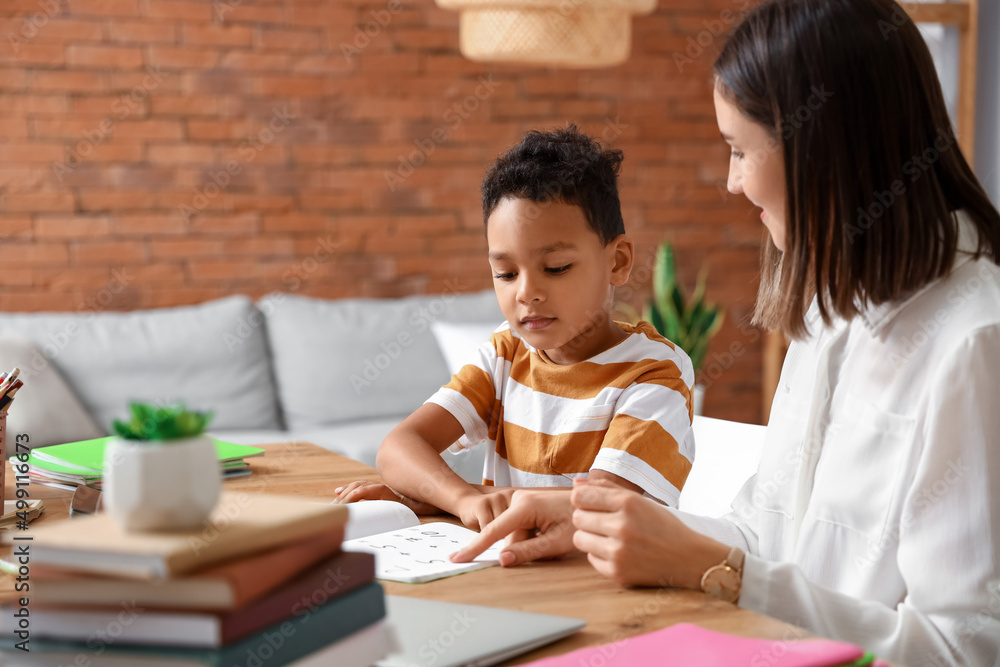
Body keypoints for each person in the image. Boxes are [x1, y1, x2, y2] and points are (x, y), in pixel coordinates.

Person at [451, 1, 1000, 664]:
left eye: (740, 149)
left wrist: (728, 575)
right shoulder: (832, 306)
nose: (733, 182)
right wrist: (596, 520)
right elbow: (762, 537)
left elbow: (969, 648)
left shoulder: (974, 342)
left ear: (820, 145)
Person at [334, 126, 696, 530]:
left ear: (617, 261)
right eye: (505, 273)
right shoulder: (504, 354)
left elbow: (602, 504)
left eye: (556, 268)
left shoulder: (656, 372)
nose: (527, 293)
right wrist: (457, 498)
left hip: (602, 580)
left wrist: (437, 500)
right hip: (513, 569)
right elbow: (399, 448)